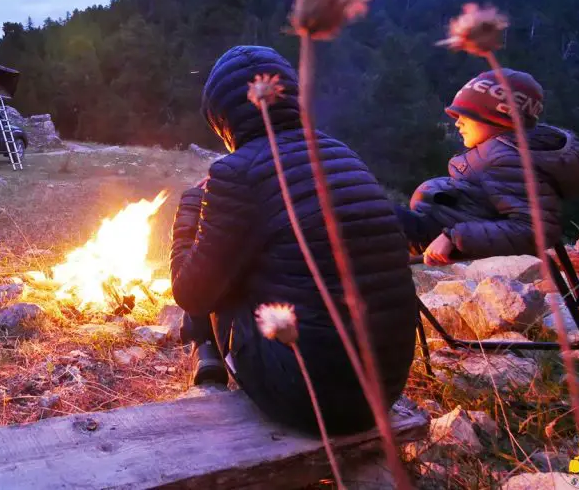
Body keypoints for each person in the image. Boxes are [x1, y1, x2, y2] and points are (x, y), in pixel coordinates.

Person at [170, 45, 417, 435]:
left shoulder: (237, 173)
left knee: (217, 279)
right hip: (382, 390)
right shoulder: (342, 154)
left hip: (310, 401)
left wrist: (191, 206)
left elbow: (191, 294)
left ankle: (209, 360)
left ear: (221, 117)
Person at [395, 68, 579, 265]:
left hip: (440, 234)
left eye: (466, 115)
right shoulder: (506, 150)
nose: (458, 123)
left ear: (498, 118)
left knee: (367, 212)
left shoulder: (507, 159)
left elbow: (535, 230)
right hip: (443, 224)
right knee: (368, 209)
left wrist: (452, 237)